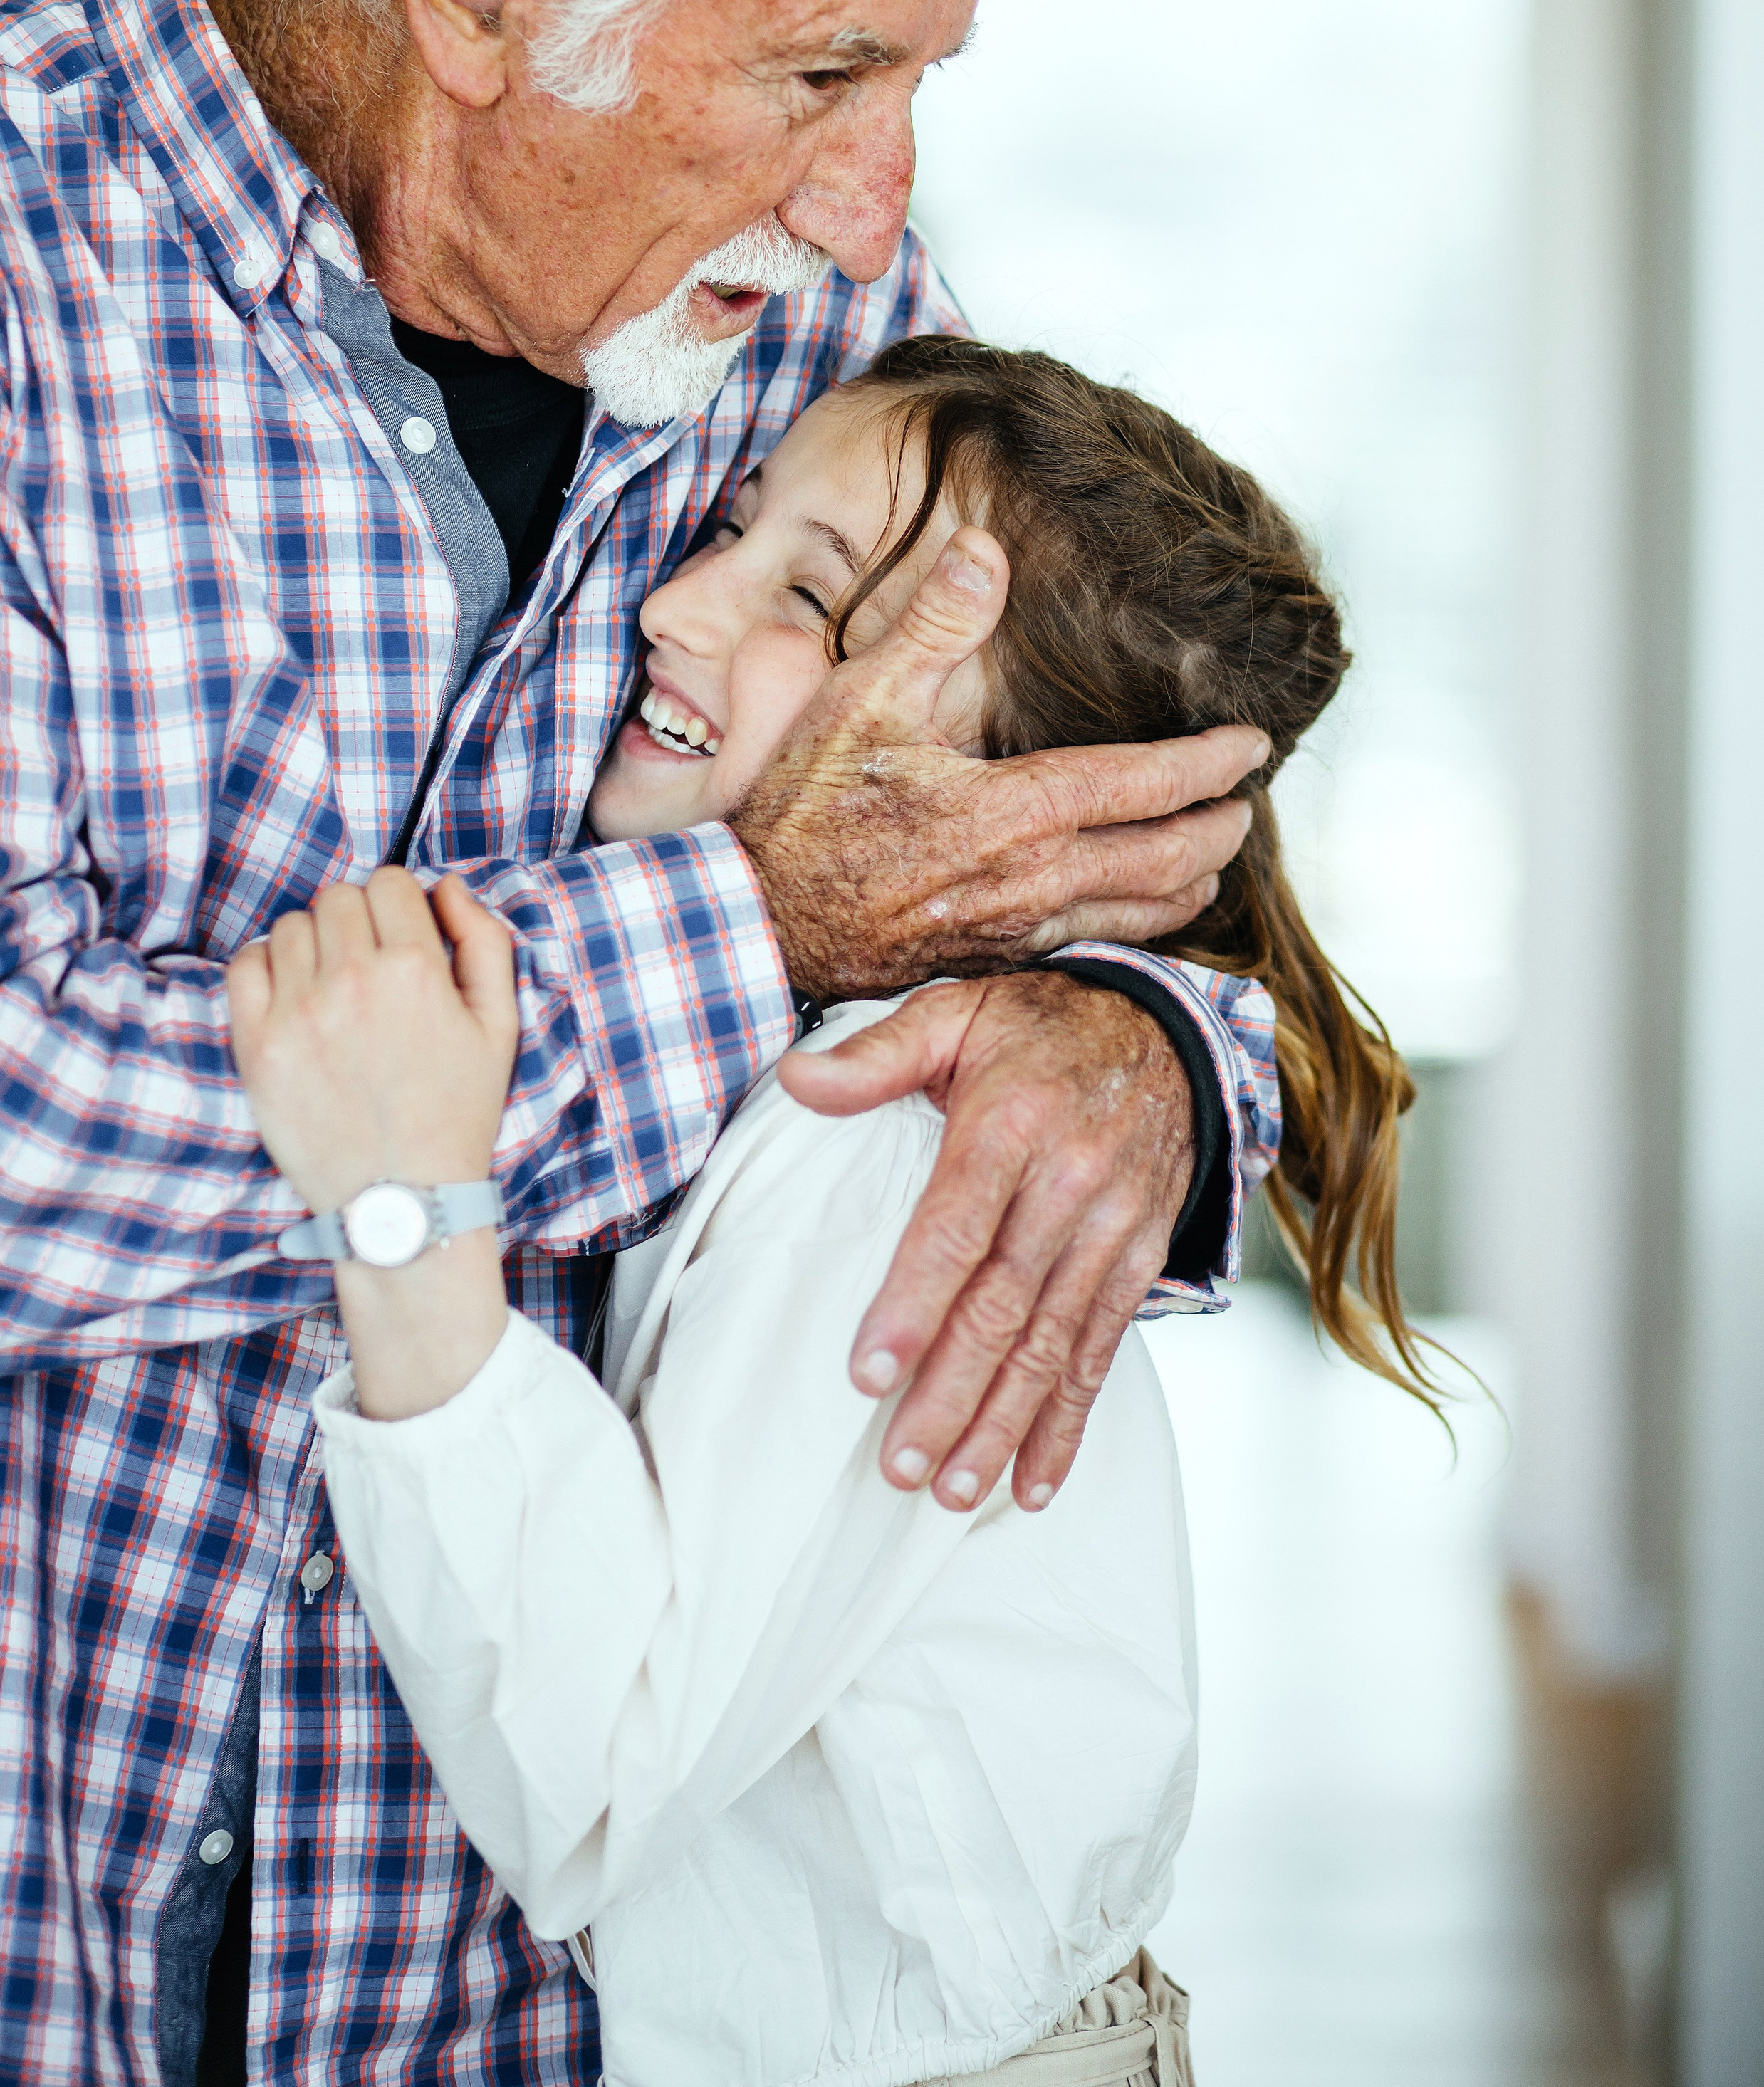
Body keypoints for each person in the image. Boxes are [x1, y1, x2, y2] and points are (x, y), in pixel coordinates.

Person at [0, 0, 1268, 2085]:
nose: (879, 202)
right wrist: (743, 935)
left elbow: (1104, 779)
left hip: (526, 2003)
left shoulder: (818, 315)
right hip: (23, 1937)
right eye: (823, 74)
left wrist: (1151, 1049)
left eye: (917, 82)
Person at [225, 339, 1432, 2087]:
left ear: (1017, 804)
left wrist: (401, 1210)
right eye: (730, 528)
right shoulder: (803, 1082)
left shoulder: (882, 1147)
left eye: (809, 597)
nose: (671, 604)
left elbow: (597, 1781)